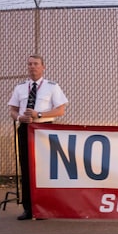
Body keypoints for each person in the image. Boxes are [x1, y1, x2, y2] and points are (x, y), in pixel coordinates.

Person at [7, 55, 69, 220]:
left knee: (44, 168)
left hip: (44, 128)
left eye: (35, 64)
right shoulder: (20, 88)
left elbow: (60, 110)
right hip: (25, 128)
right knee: (26, 167)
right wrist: (20, 117)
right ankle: (28, 208)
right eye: (29, 64)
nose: (32, 67)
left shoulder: (52, 87)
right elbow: (12, 110)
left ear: (43, 67)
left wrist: (38, 114)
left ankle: (43, 207)